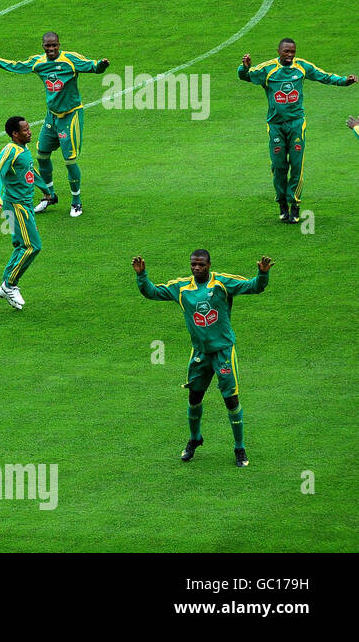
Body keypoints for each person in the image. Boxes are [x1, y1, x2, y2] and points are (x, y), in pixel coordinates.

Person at [133, 251, 272, 467]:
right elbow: (152, 292)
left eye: (201, 265)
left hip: (223, 351)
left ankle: (239, 447)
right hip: (199, 353)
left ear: (209, 265)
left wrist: (262, 274)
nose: (196, 268)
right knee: (194, 398)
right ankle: (194, 439)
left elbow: (254, 287)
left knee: (231, 399)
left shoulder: (222, 283)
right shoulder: (181, 287)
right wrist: (142, 276)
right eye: (193, 265)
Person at [0, 33, 109, 217]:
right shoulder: (38, 62)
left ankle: (76, 202)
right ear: (43, 46)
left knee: (69, 160)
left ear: (59, 44)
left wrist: (102, 64)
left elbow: (93, 67)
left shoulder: (70, 60)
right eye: (47, 46)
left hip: (71, 116)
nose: (51, 49)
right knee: (41, 155)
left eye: (54, 45)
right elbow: (14, 66)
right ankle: (49, 196)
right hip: (51, 116)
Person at [237, 39, 355, 223]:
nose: (290, 55)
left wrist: (344, 81)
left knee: (297, 165)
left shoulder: (302, 67)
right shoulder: (268, 69)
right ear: (278, 51)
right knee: (278, 166)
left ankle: (295, 205)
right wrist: (244, 68)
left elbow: (323, 76)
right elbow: (245, 76)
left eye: (292, 51)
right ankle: (282, 202)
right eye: (286, 51)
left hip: (296, 124)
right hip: (275, 126)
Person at [0, 116, 50, 310]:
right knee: (33, 246)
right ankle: (9, 284)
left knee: (20, 245)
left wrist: (45, 189)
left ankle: (6, 284)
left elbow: (30, 172)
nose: (30, 131)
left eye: (29, 128)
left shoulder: (22, 150)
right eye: (25, 130)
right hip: (16, 206)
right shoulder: (10, 151)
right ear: (15, 134)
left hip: (23, 204)